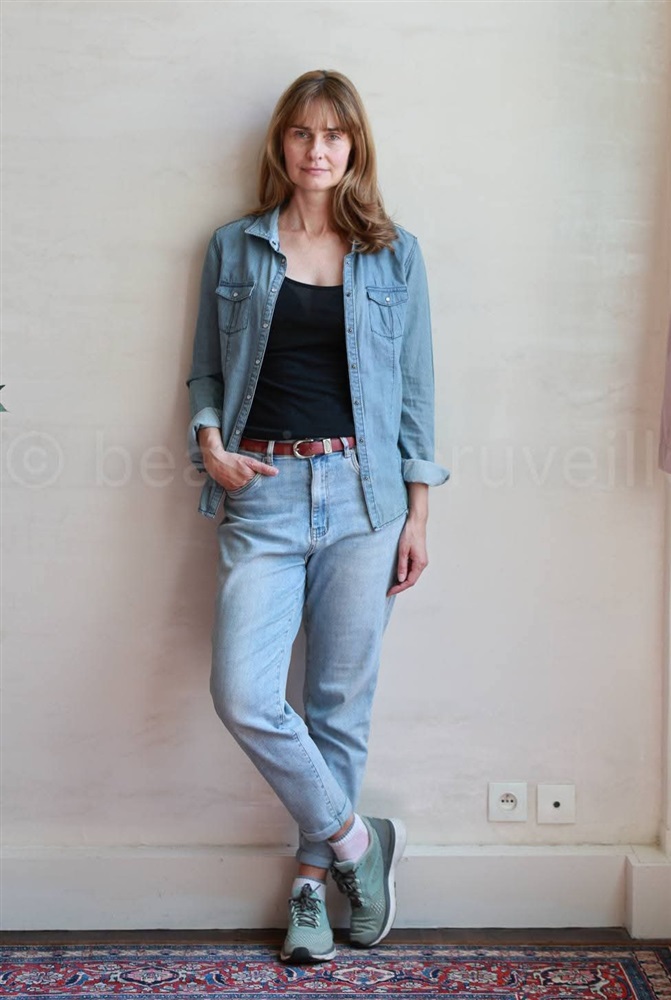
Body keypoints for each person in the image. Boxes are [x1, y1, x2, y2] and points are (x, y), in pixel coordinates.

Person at [186, 69, 448, 964]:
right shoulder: (234, 247)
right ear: (282, 144)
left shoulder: (394, 254)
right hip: (261, 490)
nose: (317, 149)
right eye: (302, 133)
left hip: (365, 498)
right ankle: (358, 842)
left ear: (354, 146)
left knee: (337, 703)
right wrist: (210, 444)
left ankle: (309, 887)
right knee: (244, 694)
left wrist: (417, 515)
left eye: (334, 134)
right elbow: (205, 371)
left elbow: (415, 394)